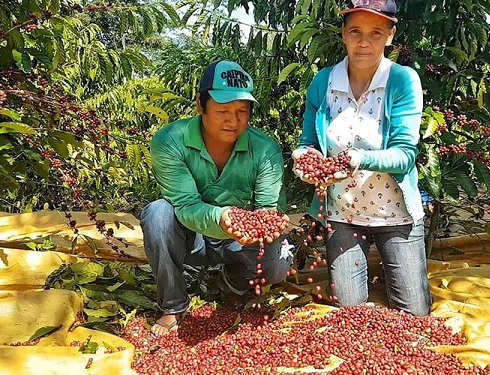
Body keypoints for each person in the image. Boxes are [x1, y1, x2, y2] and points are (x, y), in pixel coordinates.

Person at [292, 0, 431, 316]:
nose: (364, 42)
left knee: (415, 314)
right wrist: (304, 160)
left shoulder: (402, 81)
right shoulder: (324, 82)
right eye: (355, 31)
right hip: (343, 215)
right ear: (343, 33)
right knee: (349, 313)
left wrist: (356, 159)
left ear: (390, 35)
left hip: (395, 215)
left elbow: (405, 155)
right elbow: (309, 143)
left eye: (376, 32)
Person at [141, 60, 293, 336]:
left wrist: (269, 223)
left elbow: (267, 210)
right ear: (201, 104)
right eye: (222, 110)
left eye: (241, 112)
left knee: (278, 261)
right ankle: (174, 304)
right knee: (157, 214)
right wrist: (223, 218)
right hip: (194, 237)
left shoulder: (265, 148)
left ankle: (232, 280)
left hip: (238, 242)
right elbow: (185, 205)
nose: (233, 121)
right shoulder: (170, 141)